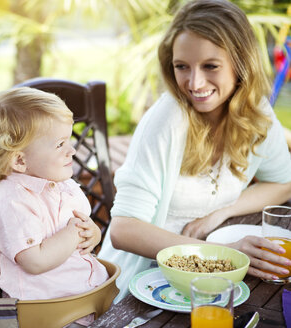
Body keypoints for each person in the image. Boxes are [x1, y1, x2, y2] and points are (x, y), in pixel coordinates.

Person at [99, 0, 291, 301]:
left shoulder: (256, 114)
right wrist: (219, 255)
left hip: (210, 279)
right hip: (141, 284)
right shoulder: (167, 120)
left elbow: (283, 182)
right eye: (182, 67)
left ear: (240, 63)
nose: (194, 82)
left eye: (210, 66)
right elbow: (124, 230)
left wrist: (220, 214)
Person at [0, 87, 109, 327]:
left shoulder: (59, 184)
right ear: (20, 160)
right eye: (60, 144)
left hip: (85, 301)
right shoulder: (13, 202)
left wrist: (91, 234)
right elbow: (34, 261)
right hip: (50, 314)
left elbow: (83, 223)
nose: (72, 150)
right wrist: (74, 233)